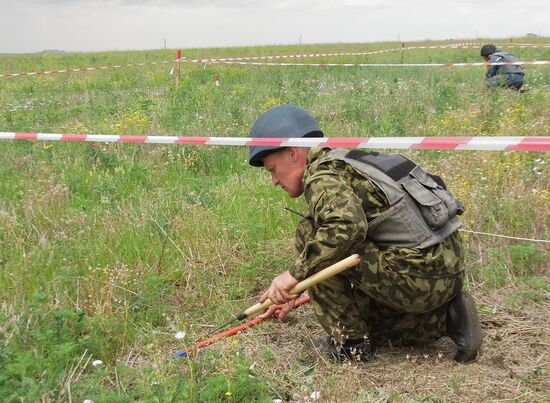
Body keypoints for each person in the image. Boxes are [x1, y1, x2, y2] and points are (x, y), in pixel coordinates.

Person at [249, 104, 483, 363]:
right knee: (364, 316)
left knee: (310, 232)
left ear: (293, 153)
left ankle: (351, 345)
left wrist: (293, 275)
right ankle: (448, 317)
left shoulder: (321, 176)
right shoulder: (351, 160)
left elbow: (346, 226)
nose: (274, 181)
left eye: (272, 170)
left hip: (417, 275)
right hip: (446, 271)